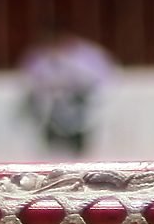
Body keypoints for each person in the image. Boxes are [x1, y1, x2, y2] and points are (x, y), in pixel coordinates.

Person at [18, 26, 117, 159]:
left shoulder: (88, 55)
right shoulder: (39, 56)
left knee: (81, 149)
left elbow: (105, 81)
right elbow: (29, 82)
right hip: (52, 111)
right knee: (52, 150)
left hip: (80, 108)